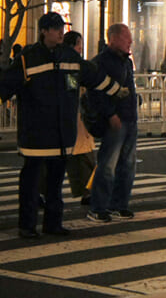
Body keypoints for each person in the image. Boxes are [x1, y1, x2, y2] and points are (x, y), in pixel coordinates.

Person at [0, 12, 129, 238]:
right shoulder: (28, 58)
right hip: (36, 132)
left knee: (55, 184)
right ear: (44, 31)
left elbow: (93, 77)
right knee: (31, 183)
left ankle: (53, 224)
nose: (60, 33)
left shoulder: (70, 57)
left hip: (62, 133)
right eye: (56, 29)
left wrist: (116, 90)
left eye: (61, 29)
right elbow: (7, 84)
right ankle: (27, 226)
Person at [87, 23, 139, 223]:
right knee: (108, 164)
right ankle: (99, 206)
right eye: (127, 38)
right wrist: (110, 114)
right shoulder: (102, 62)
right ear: (114, 38)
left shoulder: (126, 61)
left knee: (127, 164)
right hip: (115, 119)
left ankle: (119, 204)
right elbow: (96, 93)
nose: (130, 41)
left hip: (129, 117)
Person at [63, 31, 94, 206]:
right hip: (75, 115)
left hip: (75, 115)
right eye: (78, 44)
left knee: (81, 155)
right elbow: (72, 88)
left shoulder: (69, 63)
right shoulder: (71, 66)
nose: (81, 47)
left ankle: (86, 190)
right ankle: (87, 191)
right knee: (83, 156)